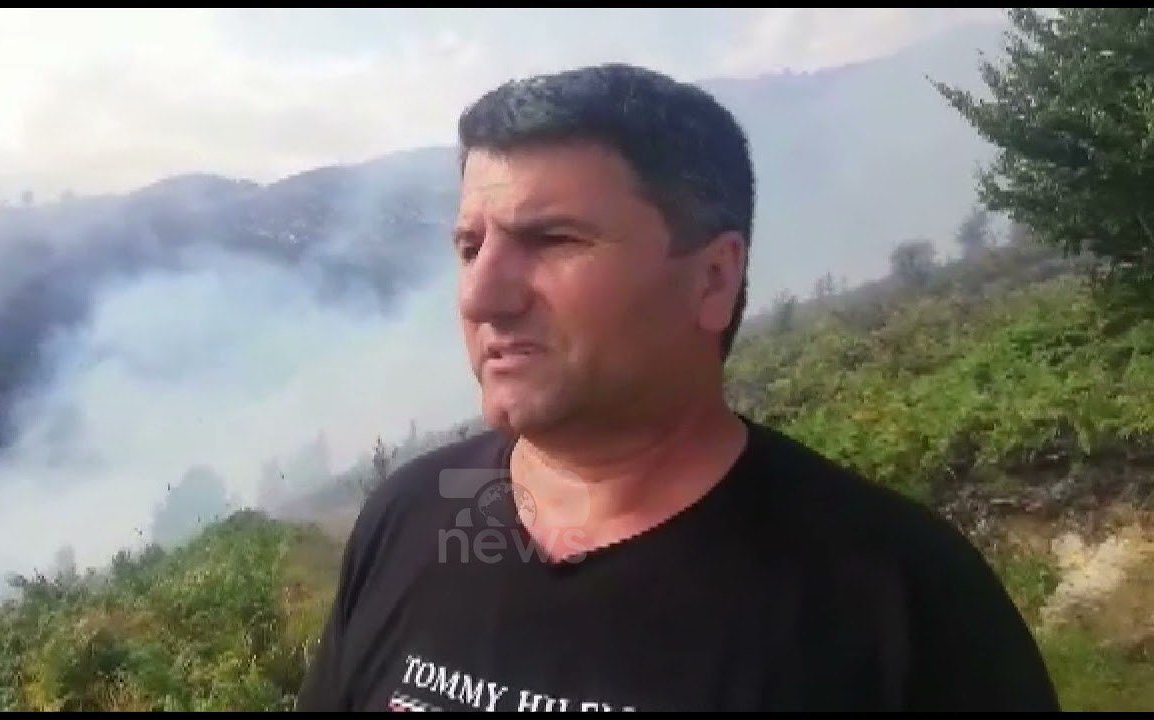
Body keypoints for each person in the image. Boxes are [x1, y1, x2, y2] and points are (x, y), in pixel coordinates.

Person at [293, 63, 1060, 712]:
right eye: (470, 247)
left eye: (552, 239)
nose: (480, 295)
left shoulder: (902, 602)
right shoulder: (407, 518)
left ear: (713, 279)